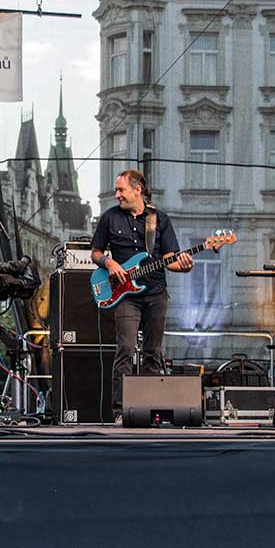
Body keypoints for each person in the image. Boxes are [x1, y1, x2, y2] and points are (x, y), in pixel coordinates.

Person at [90, 169, 193, 422]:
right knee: (125, 349)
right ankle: (120, 410)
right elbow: (96, 252)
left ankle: (149, 409)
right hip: (125, 295)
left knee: (153, 352)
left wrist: (184, 266)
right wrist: (108, 263)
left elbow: (169, 259)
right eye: (116, 190)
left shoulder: (159, 219)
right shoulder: (110, 218)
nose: (117, 194)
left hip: (156, 293)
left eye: (121, 190)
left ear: (138, 190)